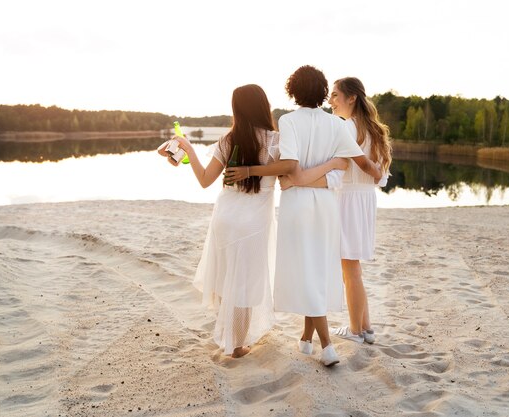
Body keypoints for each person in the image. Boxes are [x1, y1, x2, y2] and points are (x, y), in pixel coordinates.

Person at [225, 66, 382, 366]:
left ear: (293, 91)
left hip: (297, 204)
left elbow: (292, 169)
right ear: (323, 91)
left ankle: (327, 346)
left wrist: (290, 178)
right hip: (325, 204)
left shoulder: (290, 120)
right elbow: (354, 164)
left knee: (308, 270)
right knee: (318, 268)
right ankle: (306, 339)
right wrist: (369, 171)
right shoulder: (336, 124)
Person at [159, 84, 278, 358]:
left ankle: (229, 337)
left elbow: (204, 181)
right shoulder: (275, 141)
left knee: (227, 278)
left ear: (236, 109)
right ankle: (237, 345)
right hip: (254, 221)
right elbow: (289, 176)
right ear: (264, 106)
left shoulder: (227, 140)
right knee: (245, 282)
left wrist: (188, 150)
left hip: (226, 216)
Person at [283, 77, 392, 344]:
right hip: (365, 199)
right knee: (353, 267)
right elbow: (382, 176)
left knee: (349, 269)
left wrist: (302, 178)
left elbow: (359, 166)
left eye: (335, 96)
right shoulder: (374, 130)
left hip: (349, 200)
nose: (330, 101)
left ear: (351, 98)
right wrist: (375, 174)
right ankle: (366, 328)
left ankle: (355, 330)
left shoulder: (348, 128)